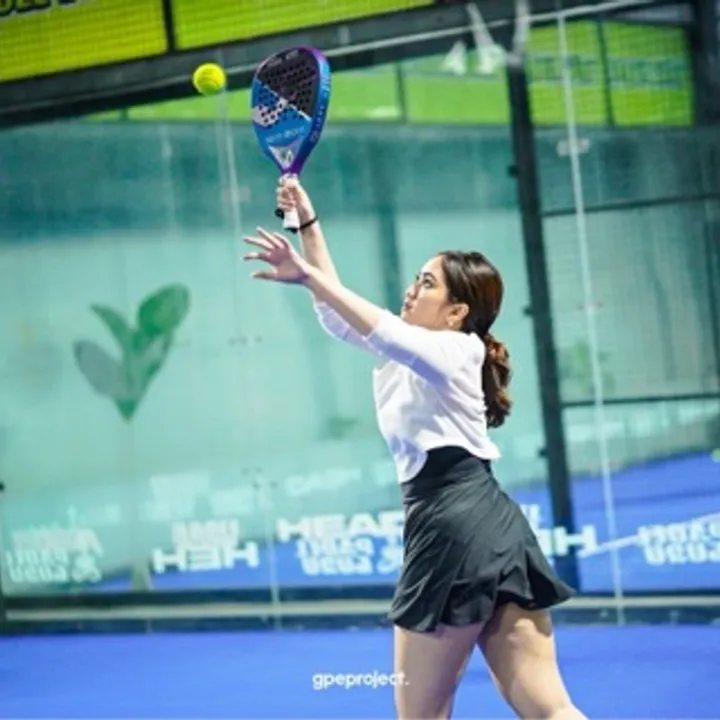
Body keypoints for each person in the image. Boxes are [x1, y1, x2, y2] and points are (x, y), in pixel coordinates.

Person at [243, 178, 586, 720]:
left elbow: (380, 328)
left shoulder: (456, 349)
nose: (411, 289)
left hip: (452, 528)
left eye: (427, 283)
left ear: (456, 311)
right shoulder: (417, 353)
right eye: (416, 278)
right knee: (550, 708)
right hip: (495, 528)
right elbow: (339, 316)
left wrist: (306, 273)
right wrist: (307, 224)